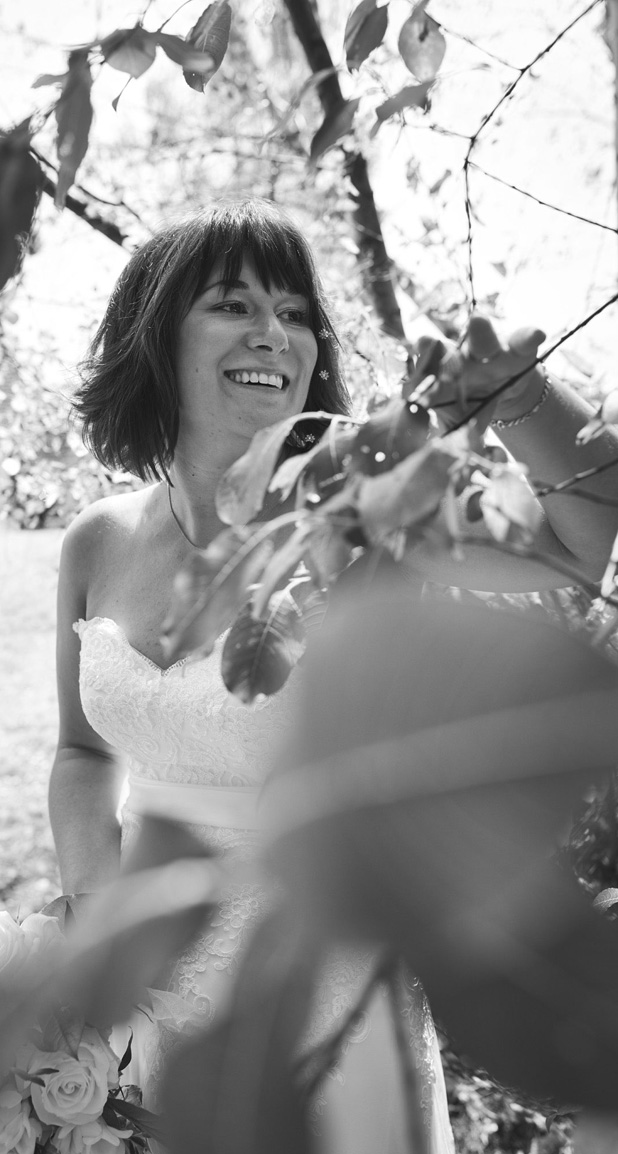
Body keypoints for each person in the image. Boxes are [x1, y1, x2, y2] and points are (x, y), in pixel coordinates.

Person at [48, 199, 618, 1153]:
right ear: (155, 336)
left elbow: (582, 537)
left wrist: (516, 390)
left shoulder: (369, 514)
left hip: (318, 976)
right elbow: (80, 752)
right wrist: (93, 917)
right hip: (141, 976)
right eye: (233, 304)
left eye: (296, 312)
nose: (274, 333)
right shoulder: (97, 540)